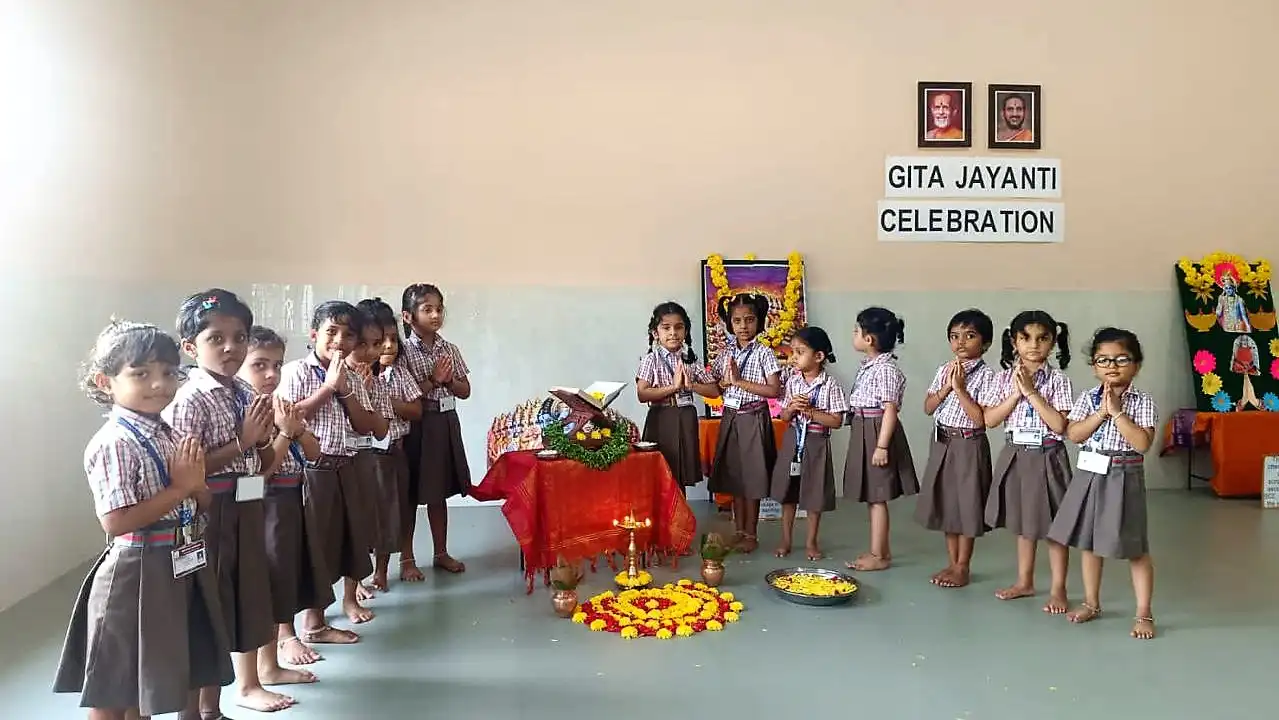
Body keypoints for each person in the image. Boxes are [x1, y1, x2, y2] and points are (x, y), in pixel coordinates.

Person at [54, 320, 233, 720]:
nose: (159, 384)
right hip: (137, 568)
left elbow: (199, 497)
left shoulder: (169, 432)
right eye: (140, 374)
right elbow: (116, 522)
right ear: (105, 382)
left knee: (146, 673)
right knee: (117, 683)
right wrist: (180, 487)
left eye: (168, 373)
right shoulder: (114, 442)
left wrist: (195, 488)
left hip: (179, 558)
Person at [163, 290, 296, 715]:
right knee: (207, 608)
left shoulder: (241, 390)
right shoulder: (190, 397)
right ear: (190, 347)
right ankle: (193, 711)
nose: (230, 348)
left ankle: (213, 707)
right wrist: (242, 441)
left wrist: (267, 440)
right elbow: (187, 470)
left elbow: (260, 460)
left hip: (247, 504)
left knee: (240, 599)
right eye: (215, 339)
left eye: (239, 338)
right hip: (209, 512)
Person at [277, 301, 385, 639]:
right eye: (331, 332)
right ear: (314, 334)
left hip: (344, 466)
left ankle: (318, 622)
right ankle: (303, 628)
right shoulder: (297, 371)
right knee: (312, 547)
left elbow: (366, 425)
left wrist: (343, 388)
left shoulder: (351, 376)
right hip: (311, 470)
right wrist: (327, 388)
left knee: (335, 543)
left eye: (348, 335)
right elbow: (288, 418)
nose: (339, 341)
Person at [1048, 327, 1159, 640]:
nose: (1112, 366)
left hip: (1124, 474)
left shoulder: (1143, 401)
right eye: (1103, 360)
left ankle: (1144, 613)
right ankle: (1091, 603)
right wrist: (1101, 413)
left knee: (1135, 548)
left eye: (1121, 359)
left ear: (1136, 364)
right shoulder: (1087, 398)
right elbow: (1074, 434)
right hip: (1089, 473)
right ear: (1094, 366)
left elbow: (1142, 444)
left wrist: (1118, 413)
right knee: (1089, 542)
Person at [237, 326, 331, 672]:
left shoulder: (281, 404)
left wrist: (296, 430)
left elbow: (315, 453)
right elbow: (263, 471)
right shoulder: (247, 413)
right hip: (266, 500)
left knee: (290, 571)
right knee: (272, 576)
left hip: (294, 495)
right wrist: (286, 434)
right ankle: (277, 646)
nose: (271, 374)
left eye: (276, 365)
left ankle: (281, 648)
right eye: (259, 365)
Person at [980, 311, 1075, 613]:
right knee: (1023, 524)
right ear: (1014, 342)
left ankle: (1059, 589)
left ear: (1053, 342)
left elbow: (1060, 425)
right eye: (1025, 338)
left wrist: (1032, 393)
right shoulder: (1001, 378)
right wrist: (1015, 394)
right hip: (1016, 454)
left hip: (1049, 456)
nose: (1034, 345)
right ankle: (1025, 581)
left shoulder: (1059, 380)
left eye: (1042, 338)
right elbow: (989, 419)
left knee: (1056, 526)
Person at [916, 309, 996, 589]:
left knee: (967, 504)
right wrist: (947, 387)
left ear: (985, 343)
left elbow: (981, 420)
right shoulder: (945, 369)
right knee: (947, 503)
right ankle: (951, 562)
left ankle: (963, 566)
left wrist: (960, 389)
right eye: (954, 336)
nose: (960, 342)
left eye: (969, 336)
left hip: (968, 443)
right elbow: (928, 407)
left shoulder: (989, 376)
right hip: (942, 441)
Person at [399, 283, 473, 574]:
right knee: (410, 493)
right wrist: (432, 380)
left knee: (438, 492)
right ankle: (407, 558)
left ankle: (441, 552)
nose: (435, 315)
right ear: (408, 316)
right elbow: (404, 395)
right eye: (427, 309)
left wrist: (448, 381)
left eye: (439, 309)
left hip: (445, 422)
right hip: (417, 424)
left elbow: (465, 390)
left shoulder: (449, 349)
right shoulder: (403, 352)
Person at [707, 292, 783, 554]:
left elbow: (774, 390)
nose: (743, 326)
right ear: (730, 323)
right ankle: (739, 531)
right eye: (737, 321)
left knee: (752, 478)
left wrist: (739, 381)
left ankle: (751, 533)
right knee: (736, 477)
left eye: (749, 320)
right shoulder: (726, 352)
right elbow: (715, 385)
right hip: (731, 417)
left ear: (759, 321)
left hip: (753, 417)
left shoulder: (764, 353)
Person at [843, 307, 917, 572]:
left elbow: (890, 410)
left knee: (877, 497)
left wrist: (882, 445)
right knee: (872, 496)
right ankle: (880, 550)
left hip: (877, 430)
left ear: (869, 339)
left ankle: (879, 555)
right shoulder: (869, 366)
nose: (853, 335)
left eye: (856, 331)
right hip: (864, 427)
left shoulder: (885, 369)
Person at [358, 298, 424, 589]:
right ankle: (355, 580)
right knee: (361, 516)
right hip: (362, 455)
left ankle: (381, 571)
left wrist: (388, 401)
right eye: (377, 341)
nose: (387, 347)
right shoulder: (355, 375)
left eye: (392, 340)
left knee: (390, 513)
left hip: (391, 453)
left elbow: (416, 409)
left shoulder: (398, 373)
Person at [768, 326, 847, 561]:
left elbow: (837, 421)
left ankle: (812, 542)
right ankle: (786, 539)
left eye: (800, 352)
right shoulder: (792, 382)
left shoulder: (830, 384)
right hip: (793, 439)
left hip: (817, 441)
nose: (793, 357)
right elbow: (783, 417)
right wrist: (792, 408)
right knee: (788, 491)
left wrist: (811, 412)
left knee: (814, 494)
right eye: (792, 351)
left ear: (819, 356)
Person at [635, 301, 721, 494]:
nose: (673, 333)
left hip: (686, 417)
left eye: (678, 327)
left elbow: (714, 391)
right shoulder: (651, 359)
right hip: (661, 417)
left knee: (681, 473)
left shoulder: (690, 359)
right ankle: (664, 513)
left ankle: (680, 512)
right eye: (666, 328)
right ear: (655, 333)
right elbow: (642, 393)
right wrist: (673, 388)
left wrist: (692, 386)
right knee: (662, 473)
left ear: (686, 331)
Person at [344, 309, 393, 601]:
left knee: (362, 525)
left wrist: (365, 396)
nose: (371, 352)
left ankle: (353, 588)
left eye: (377, 344)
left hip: (366, 458)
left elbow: (381, 430)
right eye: (362, 344)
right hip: (334, 463)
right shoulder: (335, 377)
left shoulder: (377, 383)